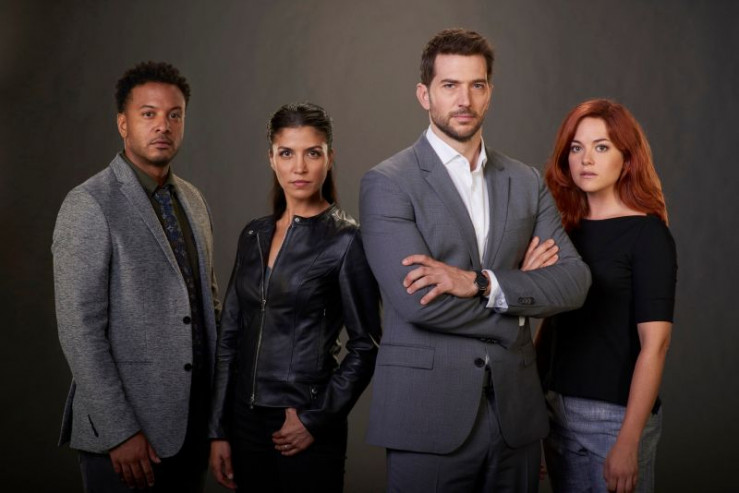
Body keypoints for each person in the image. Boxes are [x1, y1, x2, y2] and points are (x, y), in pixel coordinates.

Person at [359, 28, 592, 492]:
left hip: (516, 419)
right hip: (427, 418)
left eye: (476, 85)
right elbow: (418, 303)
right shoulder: (388, 182)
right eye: (449, 85)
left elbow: (575, 281)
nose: (464, 100)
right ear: (424, 94)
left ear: (490, 92)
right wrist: (518, 307)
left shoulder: (525, 181)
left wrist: (481, 284)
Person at [52, 61, 220, 491]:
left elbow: (207, 307)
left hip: (192, 429)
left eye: (174, 115)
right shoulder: (89, 203)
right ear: (123, 124)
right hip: (126, 440)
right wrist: (119, 432)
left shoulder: (194, 201)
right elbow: (79, 329)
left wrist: (218, 419)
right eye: (149, 114)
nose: (163, 125)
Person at [208, 102, 381, 492]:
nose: (299, 167)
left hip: (302, 420)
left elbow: (366, 346)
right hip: (244, 421)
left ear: (329, 158)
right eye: (287, 153)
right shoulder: (253, 235)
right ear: (271, 158)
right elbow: (229, 337)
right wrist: (218, 429)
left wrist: (315, 419)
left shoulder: (346, 241)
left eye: (312, 153)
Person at [537, 99, 677, 493]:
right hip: (555, 410)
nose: (586, 159)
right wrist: (532, 415)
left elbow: (656, 345)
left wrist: (628, 441)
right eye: (576, 148)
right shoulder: (564, 231)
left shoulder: (647, 234)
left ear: (626, 159)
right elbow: (550, 327)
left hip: (615, 418)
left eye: (601, 147)